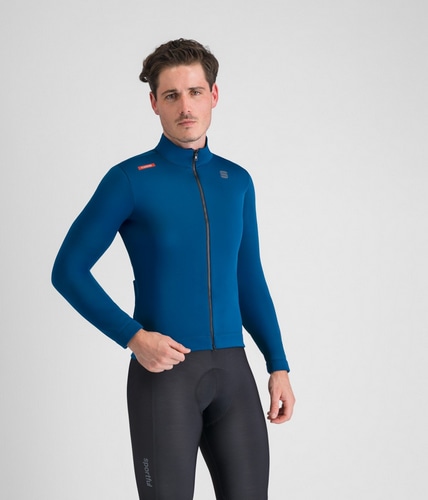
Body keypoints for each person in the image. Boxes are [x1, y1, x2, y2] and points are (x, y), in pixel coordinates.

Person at [52, 38, 295, 500]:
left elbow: (248, 278)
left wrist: (278, 364)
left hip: (234, 372)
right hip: (164, 378)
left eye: (195, 92)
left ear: (213, 95)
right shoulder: (129, 179)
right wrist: (133, 336)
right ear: (154, 103)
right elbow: (68, 270)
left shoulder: (237, 181)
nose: (186, 107)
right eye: (172, 95)